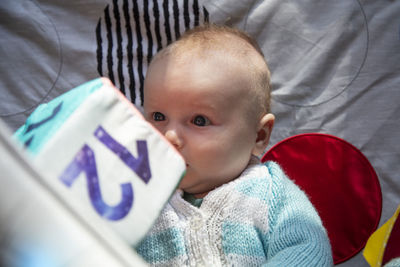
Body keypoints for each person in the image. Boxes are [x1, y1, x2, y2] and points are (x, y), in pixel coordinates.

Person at [136, 23, 333, 266]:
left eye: (199, 120)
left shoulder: (271, 193)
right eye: (158, 117)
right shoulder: (138, 193)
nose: (169, 137)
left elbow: (308, 250)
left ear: (258, 136)